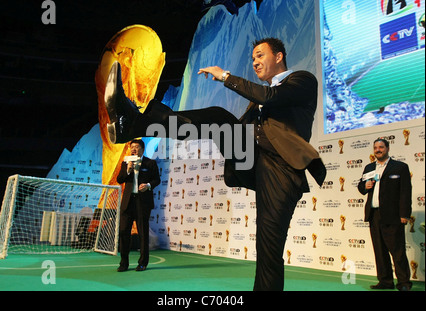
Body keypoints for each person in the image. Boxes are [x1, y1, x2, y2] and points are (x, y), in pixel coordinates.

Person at [104, 37, 326, 290]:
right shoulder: (260, 99)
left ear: (278, 57)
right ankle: (132, 124)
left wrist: (225, 77)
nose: (254, 62)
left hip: (283, 169)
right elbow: (240, 123)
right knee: (218, 118)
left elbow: (271, 96)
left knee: (268, 246)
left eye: (260, 56)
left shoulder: (302, 80)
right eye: (252, 58)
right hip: (253, 159)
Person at [358, 138, 412, 291]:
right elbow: (361, 187)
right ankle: (385, 281)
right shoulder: (369, 167)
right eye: (375, 147)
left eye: (381, 147)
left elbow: (405, 192)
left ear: (387, 148)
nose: (378, 150)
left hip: (393, 215)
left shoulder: (400, 167)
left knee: (398, 251)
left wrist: (405, 214)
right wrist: (365, 185)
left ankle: (404, 283)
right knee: (379, 251)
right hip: (374, 215)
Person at [116, 139, 161, 272]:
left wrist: (147, 186)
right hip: (128, 203)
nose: (134, 149)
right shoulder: (125, 163)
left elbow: (157, 180)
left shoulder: (150, 163)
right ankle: (124, 263)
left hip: (142, 203)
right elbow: (120, 179)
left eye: (136, 147)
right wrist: (128, 170)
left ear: (142, 149)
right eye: (132, 147)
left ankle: (142, 263)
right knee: (124, 232)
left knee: (143, 233)